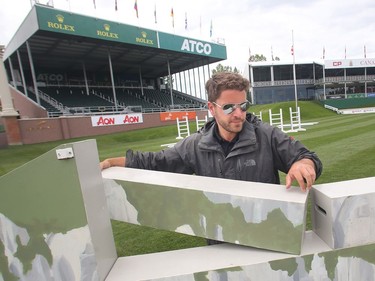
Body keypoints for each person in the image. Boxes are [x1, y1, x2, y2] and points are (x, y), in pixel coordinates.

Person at [100, 72, 322, 192]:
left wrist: (303, 164)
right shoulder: (195, 145)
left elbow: (308, 157)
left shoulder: (267, 135)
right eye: (228, 107)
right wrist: (111, 163)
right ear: (211, 108)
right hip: (220, 243)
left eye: (243, 105)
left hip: (267, 235)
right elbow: (155, 162)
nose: (238, 113)